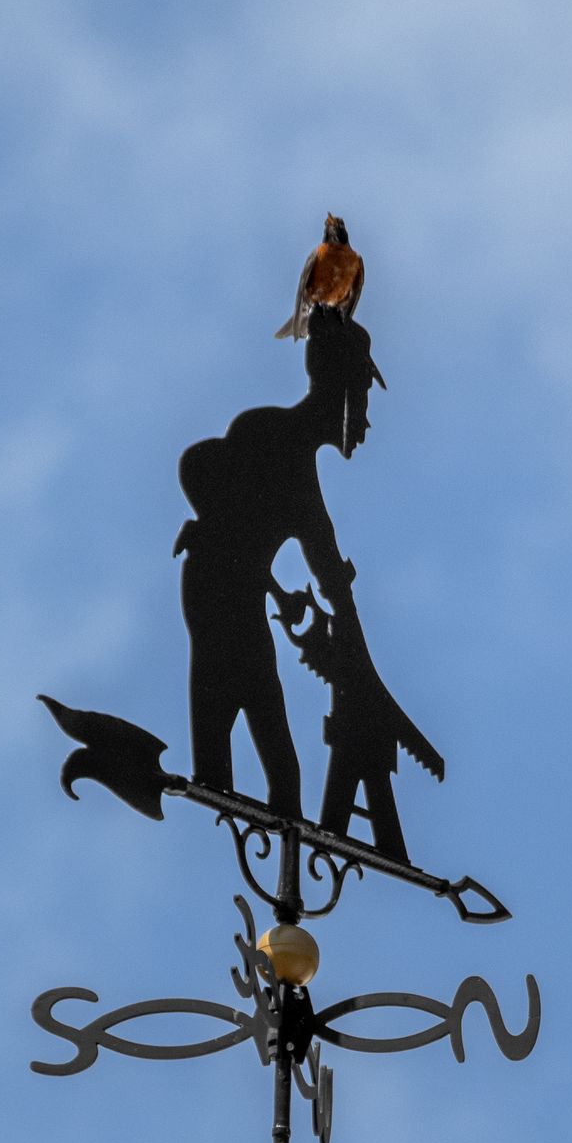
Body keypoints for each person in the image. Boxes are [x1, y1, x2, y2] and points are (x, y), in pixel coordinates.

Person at [173, 319, 383, 812]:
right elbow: (208, 486)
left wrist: (296, 594)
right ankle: (218, 784)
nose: (367, 420)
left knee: (276, 761)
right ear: (344, 394)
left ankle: (224, 786)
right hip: (220, 596)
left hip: (235, 594)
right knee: (265, 749)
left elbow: (321, 552)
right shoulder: (268, 435)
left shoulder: (286, 452)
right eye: (364, 397)